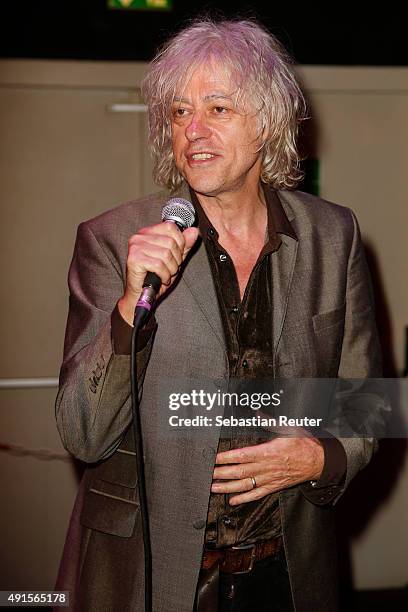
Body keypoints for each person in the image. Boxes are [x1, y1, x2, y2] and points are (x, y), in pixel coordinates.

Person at [55, 18, 383, 612]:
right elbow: (82, 433)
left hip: (286, 572)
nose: (193, 131)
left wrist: (323, 456)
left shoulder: (334, 235)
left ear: (267, 123)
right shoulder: (113, 240)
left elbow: (366, 398)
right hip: (151, 578)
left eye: (218, 108)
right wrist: (132, 307)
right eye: (179, 112)